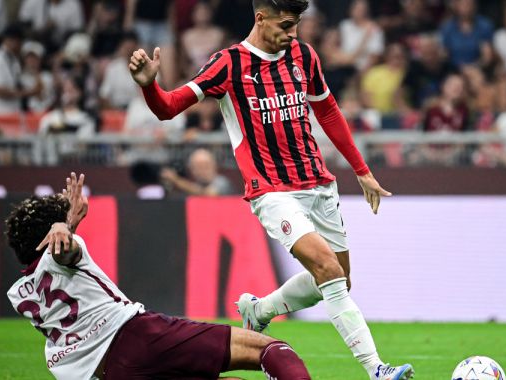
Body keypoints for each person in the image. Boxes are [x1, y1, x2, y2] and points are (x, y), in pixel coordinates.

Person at [127, 1, 414, 379]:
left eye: (297, 25)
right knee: (326, 268)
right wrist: (150, 86)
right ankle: (376, 369)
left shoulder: (303, 55)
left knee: (339, 280)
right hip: (272, 191)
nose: (293, 34)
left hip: (318, 182)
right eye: (287, 25)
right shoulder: (227, 64)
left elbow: (326, 110)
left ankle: (260, 311)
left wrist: (361, 170)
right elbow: (167, 108)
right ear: (261, 18)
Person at [6, 172, 312, 380]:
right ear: (51, 233)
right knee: (269, 348)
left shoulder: (24, 292)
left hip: (111, 373)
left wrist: (63, 227)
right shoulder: (65, 248)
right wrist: (65, 226)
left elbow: (54, 260)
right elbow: (63, 253)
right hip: (138, 337)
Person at [161, 148, 236, 196]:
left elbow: (208, 194)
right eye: (199, 167)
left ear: (214, 166)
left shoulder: (222, 182)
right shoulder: (195, 184)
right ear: (192, 170)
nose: (203, 170)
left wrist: (177, 181)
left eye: (206, 165)